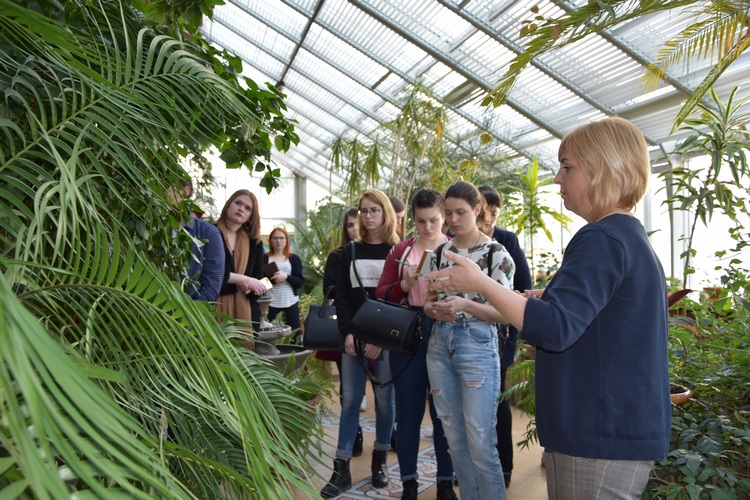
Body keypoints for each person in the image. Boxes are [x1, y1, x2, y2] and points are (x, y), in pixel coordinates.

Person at [427, 117, 671, 499]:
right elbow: (594, 319)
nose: (558, 178)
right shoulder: (625, 236)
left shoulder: (602, 238)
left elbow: (555, 329)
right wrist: (545, 299)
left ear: (603, 169)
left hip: (596, 432)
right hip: (608, 428)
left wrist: (479, 283)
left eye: (567, 166)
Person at [424, 180, 513, 500]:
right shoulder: (439, 252)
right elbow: (428, 301)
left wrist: (465, 305)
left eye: (460, 212)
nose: (452, 220)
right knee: (454, 441)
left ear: (477, 210)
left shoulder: (495, 253)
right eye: (447, 213)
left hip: (477, 346)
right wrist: (433, 309)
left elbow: (504, 313)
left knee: (480, 442)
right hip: (439, 345)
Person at [375, 189, 457, 500]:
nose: (427, 227)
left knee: (443, 413)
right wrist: (405, 284)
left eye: (434, 220)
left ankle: (445, 483)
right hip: (410, 331)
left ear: (443, 217)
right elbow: (381, 296)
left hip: (445, 329)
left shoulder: (455, 250)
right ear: (413, 219)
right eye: (421, 221)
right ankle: (409, 481)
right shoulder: (401, 251)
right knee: (408, 413)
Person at [320, 189, 400, 498]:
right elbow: (342, 296)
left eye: (373, 210)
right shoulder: (349, 251)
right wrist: (348, 333)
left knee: (384, 402)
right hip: (353, 338)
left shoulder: (398, 250)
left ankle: (379, 460)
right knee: (350, 401)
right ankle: (340, 469)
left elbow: (399, 301)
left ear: (385, 214)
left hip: (385, 342)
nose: (367, 216)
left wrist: (381, 339)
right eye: (363, 211)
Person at [478, 184, 534, 488]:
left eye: (495, 213)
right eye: (486, 213)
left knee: (497, 399)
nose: (489, 219)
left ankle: (505, 466)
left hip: (502, 331)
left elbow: (524, 284)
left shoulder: (506, 240)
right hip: (470, 332)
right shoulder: (460, 240)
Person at [320, 207, 364, 457]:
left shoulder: (378, 251)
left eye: (357, 223)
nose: (355, 228)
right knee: (348, 386)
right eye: (349, 225)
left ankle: (387, 434)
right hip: (345, 323)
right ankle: (354, 432)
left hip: (373, 326)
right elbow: (330, 287)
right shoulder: (337, 255)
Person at [215, 189, 268, 349]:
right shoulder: (210, 232)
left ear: (251, 216)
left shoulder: (255, 243)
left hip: (246, 311)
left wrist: (255, 287)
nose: (241, 209)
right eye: (238, 203)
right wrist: (244, 279)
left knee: (244, 361)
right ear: (228, 204)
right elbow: (209, 273)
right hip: (212, 307)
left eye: (247, 208)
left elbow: (263, 280)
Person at [166, 179, 225, 302]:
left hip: (186, 316)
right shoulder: (149, 229)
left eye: (164, 185)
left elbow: (211, 286)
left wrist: (184, 314)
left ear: (184, 191)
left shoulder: (208, 233)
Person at [264, 227, 304, 333]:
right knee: (270, 333)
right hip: (270, 302)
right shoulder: (264, 258)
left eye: (281, 238)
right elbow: (258, 282)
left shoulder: (294, 259)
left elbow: (300, 282)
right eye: (275, 238)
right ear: (270, 241)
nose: (278, 241)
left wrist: (286, 277)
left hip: (290, 302)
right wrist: (273, 281)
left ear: (286, 240)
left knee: (294, 335)